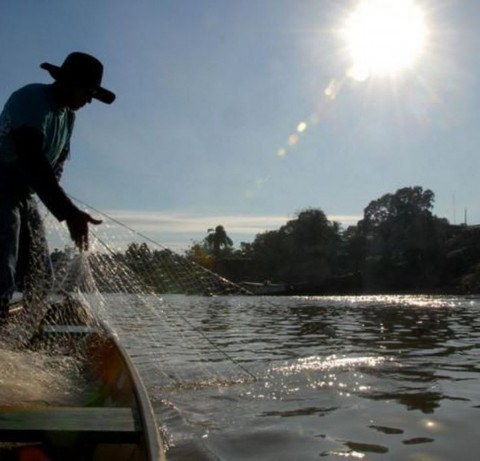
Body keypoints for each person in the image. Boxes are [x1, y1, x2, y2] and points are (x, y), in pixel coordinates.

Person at [0, 52, 115, 319]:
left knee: (40, 272)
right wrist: (67, 211)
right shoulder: (31, 99)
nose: (88, 100)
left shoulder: (68, 118)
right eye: (87, 92)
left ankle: (27, 330)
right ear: (66, 82)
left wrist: (59, 201)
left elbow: (56, 164)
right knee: (3, 261)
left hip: (25, 194)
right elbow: (32, 158)